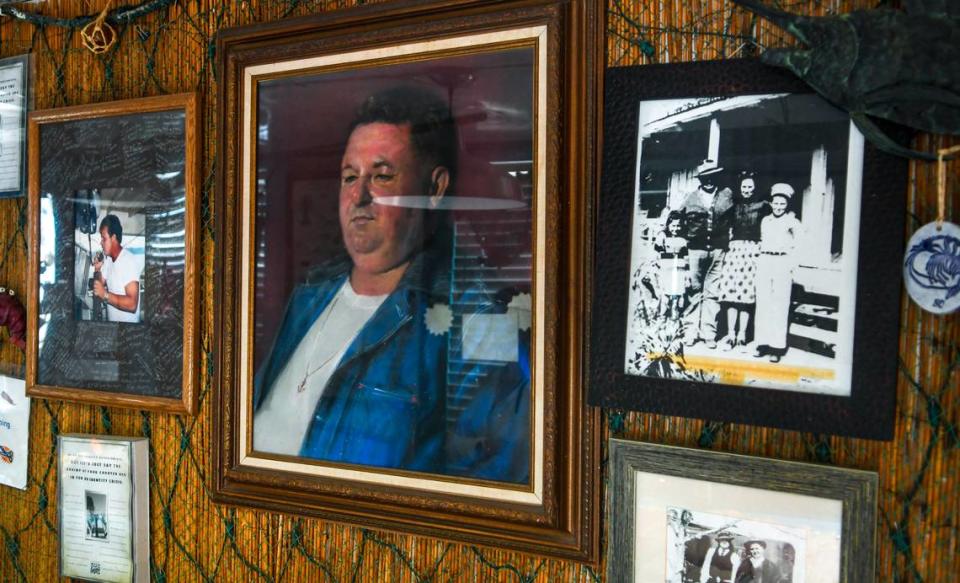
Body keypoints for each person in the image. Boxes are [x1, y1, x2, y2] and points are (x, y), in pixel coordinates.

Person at [252, 86, 530, 483]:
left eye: (382, 176)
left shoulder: (473, 317)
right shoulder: (310, 295)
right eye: (350, 177)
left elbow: (491, 485)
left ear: (433, 190)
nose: (358, 196)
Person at [680, 160, 733, 348]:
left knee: (712, 292)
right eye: (705, 178)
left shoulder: (727, 195)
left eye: (712, 177)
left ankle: (709, 333)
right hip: (696, 250)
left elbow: (737, 216)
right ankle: (689, 332)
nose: (709, 181)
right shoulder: (690, 198)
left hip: (718, 251)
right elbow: (673, 218)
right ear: (700, 179)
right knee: (694, 290)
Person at [716, 174, 769, 351]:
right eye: (744, 187)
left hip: (753, 251)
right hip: (735, 251)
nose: (747, 190)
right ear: (740, 188)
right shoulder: (734, 205)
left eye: (750, 187)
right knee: (731, 295)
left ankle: (742, 335)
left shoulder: (763, 206)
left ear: (755, 188)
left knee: (746, 296)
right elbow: (719, 214)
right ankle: (731, 334)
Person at [754, 183, 802, 363]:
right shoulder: (765, 220)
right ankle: (762, 344)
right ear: (771, 203)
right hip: (765, 261)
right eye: (776, 203)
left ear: (787, 204)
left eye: (782, 204)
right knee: (763, 303)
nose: (779, 207)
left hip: (782, 262)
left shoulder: (793, 222)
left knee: (779, 305)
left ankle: (776, 347)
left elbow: (800, 246)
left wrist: (792, 265)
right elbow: (761, 241)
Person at [92, 214, 143, 323]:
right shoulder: (109, 261)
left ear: (113, 238)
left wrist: (105, 295)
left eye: (103, 238)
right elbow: (98, 287)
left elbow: (132, 304)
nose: (101, 242)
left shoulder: (128, 260)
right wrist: (97, 269)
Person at [654, 210, 689, 320]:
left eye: (678, 226)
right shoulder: (663, 236)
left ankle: (674, 318)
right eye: (673, 225)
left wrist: (687, 275)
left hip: (679, 269)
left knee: (676, 294)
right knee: (665, 294)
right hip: (666, 268)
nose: (676, 228)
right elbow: (657, 252)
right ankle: (662, 317)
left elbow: (686, 257)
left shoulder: (683, 239)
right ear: (668, 224)